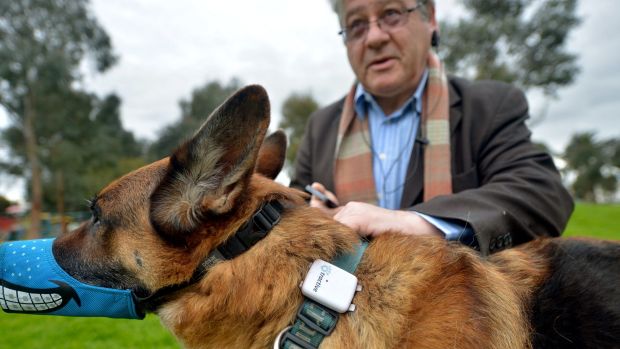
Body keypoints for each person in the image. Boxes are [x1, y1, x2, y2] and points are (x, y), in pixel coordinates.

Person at [290, 0, 574, 256]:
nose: (374, 37)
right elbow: (287, 221)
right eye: (356, 25)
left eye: (391, 13)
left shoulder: (488, 106)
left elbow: (541, 193)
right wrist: (313, 221)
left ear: (431, 18)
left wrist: (413, 223)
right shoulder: (321, 127)